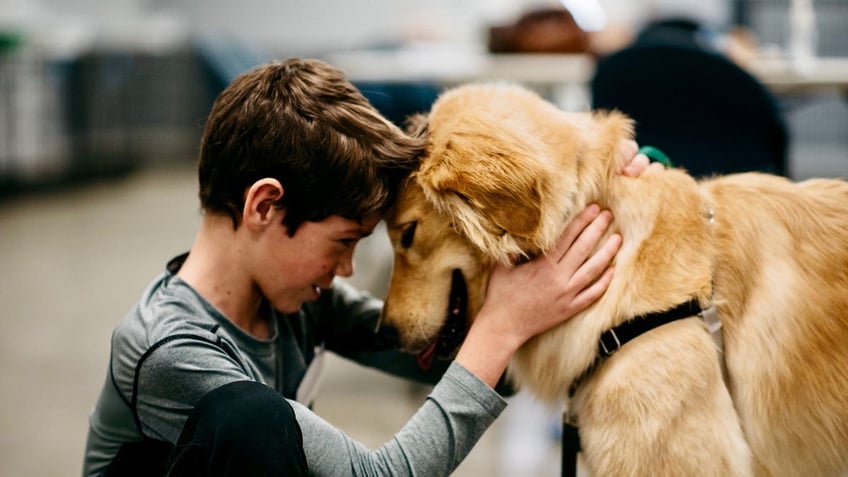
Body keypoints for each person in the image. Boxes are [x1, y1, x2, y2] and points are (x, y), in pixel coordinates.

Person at [82, 57, 655, 477]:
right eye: (344, 241)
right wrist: (502, 325)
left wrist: (598, 179)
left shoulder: (294, 302)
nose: (349, 270)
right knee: (252, 420)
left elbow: (483, 366)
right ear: (262, 206)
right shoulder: (173, 352)